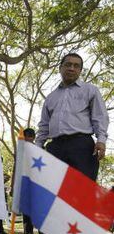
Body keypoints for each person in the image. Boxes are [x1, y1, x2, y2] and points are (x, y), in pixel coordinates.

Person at [36, 53, 109, 181]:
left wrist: (101, 140)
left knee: (83, 189)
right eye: (68, 64)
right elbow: (44, 125)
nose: (71, 68)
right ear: (60, 68)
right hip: (55, 148)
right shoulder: (51, 97)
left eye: (76, 66)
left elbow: (100, 116)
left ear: (80, 70)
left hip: (82, 147)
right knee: (53, 189)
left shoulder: (90, 90)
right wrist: (37, 146)